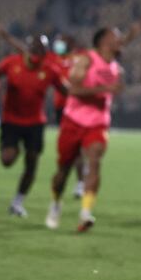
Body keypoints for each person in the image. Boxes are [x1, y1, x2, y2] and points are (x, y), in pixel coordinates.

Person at [45, 27, 126, 232]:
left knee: (94, 162)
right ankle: (55, 203)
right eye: (115, 37)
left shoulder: (117, 68)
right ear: (103, 42)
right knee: (63, 171)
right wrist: (104, 89)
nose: (120, 40)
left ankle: (85, 212)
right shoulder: (85, 60)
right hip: (73, 120)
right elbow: (72, 90)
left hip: (98, 122)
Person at [0, 34, 67, 217]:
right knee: (7, 160)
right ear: (27, 50)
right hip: (11, 120)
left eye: (41, 50)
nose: (37, 53)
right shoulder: (11, 63)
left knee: (32, 162)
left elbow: (65, 89)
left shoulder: (50, 70)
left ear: (45, 53)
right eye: (34, 49)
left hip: (35, 122)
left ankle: (18, 202)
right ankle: (15, 148)